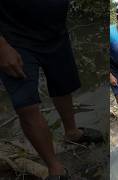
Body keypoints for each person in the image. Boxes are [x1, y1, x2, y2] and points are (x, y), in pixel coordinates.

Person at [0, 1, 102, 179]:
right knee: (26, 105)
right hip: (14, 39)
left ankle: (72, 133)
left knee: (63, 85)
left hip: (56, 34)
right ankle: (55, 168)